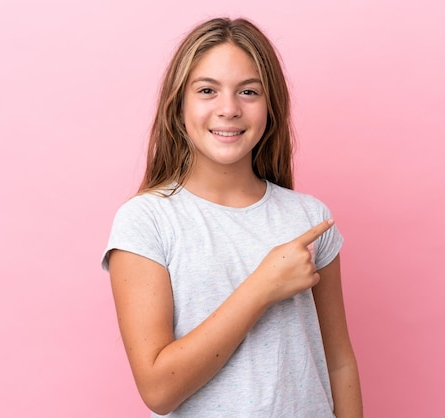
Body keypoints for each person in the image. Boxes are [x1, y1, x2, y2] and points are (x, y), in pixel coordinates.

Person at [102, 17, 363, 417]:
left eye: (248, 91)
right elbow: (158, 389)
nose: (229, 109)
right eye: (207, 90)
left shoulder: (309, 218)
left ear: (270, 105)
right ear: (179, 104)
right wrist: (261, 288)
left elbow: (339, 361)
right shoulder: (146, 220)